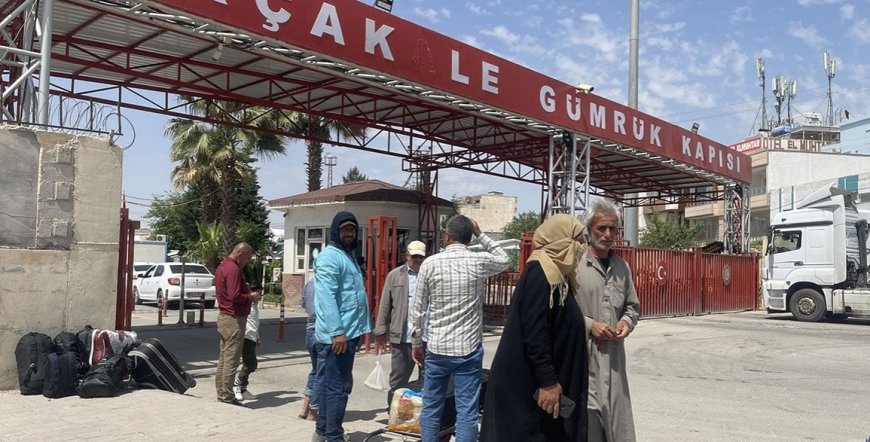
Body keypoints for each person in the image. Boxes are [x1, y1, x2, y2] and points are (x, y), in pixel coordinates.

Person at [480, 214, 589, 441]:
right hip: (525, 391)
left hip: (536, 390)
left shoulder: (557, 275)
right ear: (559, 240)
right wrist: (548, 381)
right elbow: (534, 333)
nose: (581, 247)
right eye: (576, 240)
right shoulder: (541, 273)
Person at [408, 215, 510, 442]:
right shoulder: (477, 262)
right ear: (468, 237)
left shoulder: (430, 264)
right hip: (468, 350)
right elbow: (505, 259)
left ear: (448, 236)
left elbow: (417, 309)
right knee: (467, 411)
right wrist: (481, 234)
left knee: (432, 407)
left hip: (437, 348)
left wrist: (416, 343)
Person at [573, 199, 641, 442]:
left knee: (616, 426)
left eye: (613, 228)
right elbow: (560, 312)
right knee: (589, 426)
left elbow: (632, 307)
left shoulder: (622, 267)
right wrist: (590, 326)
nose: (607, 234)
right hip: (582, 360)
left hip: (614, 361)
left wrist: (626, 323)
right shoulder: (574, 265)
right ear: (589, 230)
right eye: (601, 228)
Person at [313, 211, 371, 442]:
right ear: (335, 231)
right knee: (339, 388)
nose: (349, 233)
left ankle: (323, 431)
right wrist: (338, 332)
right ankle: (333, 437)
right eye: (345, 229)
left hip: (348, 334)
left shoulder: (347, 256)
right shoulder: (330, 257)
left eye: (352, 229)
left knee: (331, 385)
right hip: (338, 337)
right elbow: (326, 297)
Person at [374, 240, 427, 389]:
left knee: (427, 378)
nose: (417, 260)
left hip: (426, 336)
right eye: (414, 256)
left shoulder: (429, 274)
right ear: (407, 256)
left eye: (420, 257)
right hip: (403, 337)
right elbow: (385, 304)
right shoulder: (395, 275)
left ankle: (419, 410)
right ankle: (393, 408)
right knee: (399, 377)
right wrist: (380, 330)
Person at [214, 242, 262, 406]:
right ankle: (227, 397)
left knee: (224, 358)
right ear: (241, 254)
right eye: (248, 258)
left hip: (225, 317)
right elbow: (234, 296)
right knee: (231, 361)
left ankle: (222, 393)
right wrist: (251, 297)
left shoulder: (223, 266)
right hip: (233, 318)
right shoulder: (233, 269)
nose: (247, 262)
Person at [299, 266, 323, 421]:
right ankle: (314, 412)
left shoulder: (309, 284)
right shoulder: (326, 285)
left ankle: (304, 408)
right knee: (323, 372)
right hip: (322, 330)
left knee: (315, 370)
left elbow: (303, 303)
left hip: (310, 329)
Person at [233, 283, 261, 402]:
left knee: (251, 364)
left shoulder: (255, 306)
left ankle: (243, 389)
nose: (260, 297)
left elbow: (255, 323)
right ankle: (236, 386)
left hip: (252, 336)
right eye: (258, 294)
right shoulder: (246, 305)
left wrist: (257, 336)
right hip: (245, 336)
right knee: (250, 363)